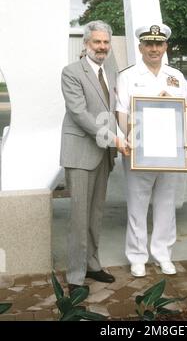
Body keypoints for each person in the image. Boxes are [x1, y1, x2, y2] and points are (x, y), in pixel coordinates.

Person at [116, 23, 187, 277]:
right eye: (148, 44)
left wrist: (173, 105)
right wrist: (128, 138)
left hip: (170, 152)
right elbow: (122, 112)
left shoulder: (176, 77)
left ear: (165, 46)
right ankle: (137, 256)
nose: (154, 49)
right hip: (139, 151)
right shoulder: (128, 76)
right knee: (137, 205)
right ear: (140, 47)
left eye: (158, 44)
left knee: (166, 204)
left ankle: (162, 254)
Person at [60, 20, 129, 294]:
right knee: (79, 217)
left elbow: (117, 109)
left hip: (103, 155)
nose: (102, 47)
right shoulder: (71, 72)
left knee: (95, 213)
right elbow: (80, 114)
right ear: (86, 44)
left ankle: (92, 263)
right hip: (80, 154)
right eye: (97, 42)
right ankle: (76, 277)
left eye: (105, 42)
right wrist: (113, 139)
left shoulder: (111, 71)